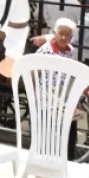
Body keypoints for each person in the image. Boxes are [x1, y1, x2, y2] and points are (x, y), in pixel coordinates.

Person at [35, 18, 79, 159]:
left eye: (68, 35)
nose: (64, 37)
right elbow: (33, 72)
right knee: (47, 137)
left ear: (72, 38)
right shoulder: (46, 50)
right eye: (61, 33)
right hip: (47, 99)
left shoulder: (71, 51)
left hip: (64, 98)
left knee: (69, 131)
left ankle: (67, 160)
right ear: (54, 33)